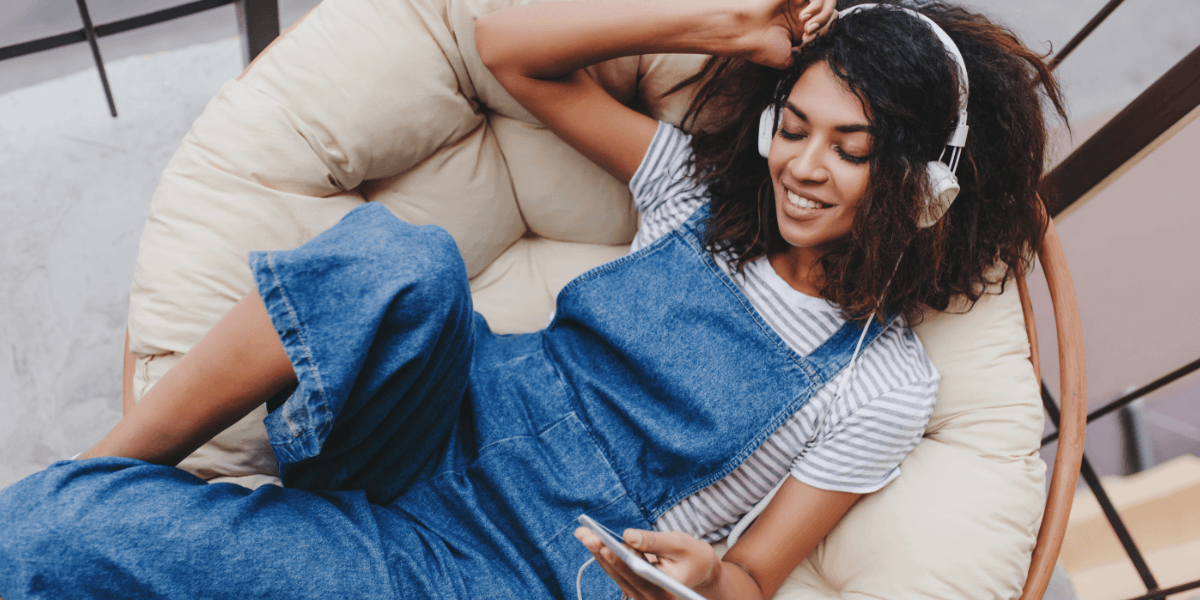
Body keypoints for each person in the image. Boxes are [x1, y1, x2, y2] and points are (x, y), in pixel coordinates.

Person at [0, 0, 1064, 599]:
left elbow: (749, 579)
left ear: (925, 189)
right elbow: (512, 51)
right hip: (427, 417)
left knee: (41, 536)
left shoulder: (880, 383)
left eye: (852, 149)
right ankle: (115, 458)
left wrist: (705, 574)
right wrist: (737, 30)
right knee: (406, 260)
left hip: (495, 571)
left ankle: (116, 511)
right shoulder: (697, 188)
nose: (803, 166)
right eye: (795, 124)